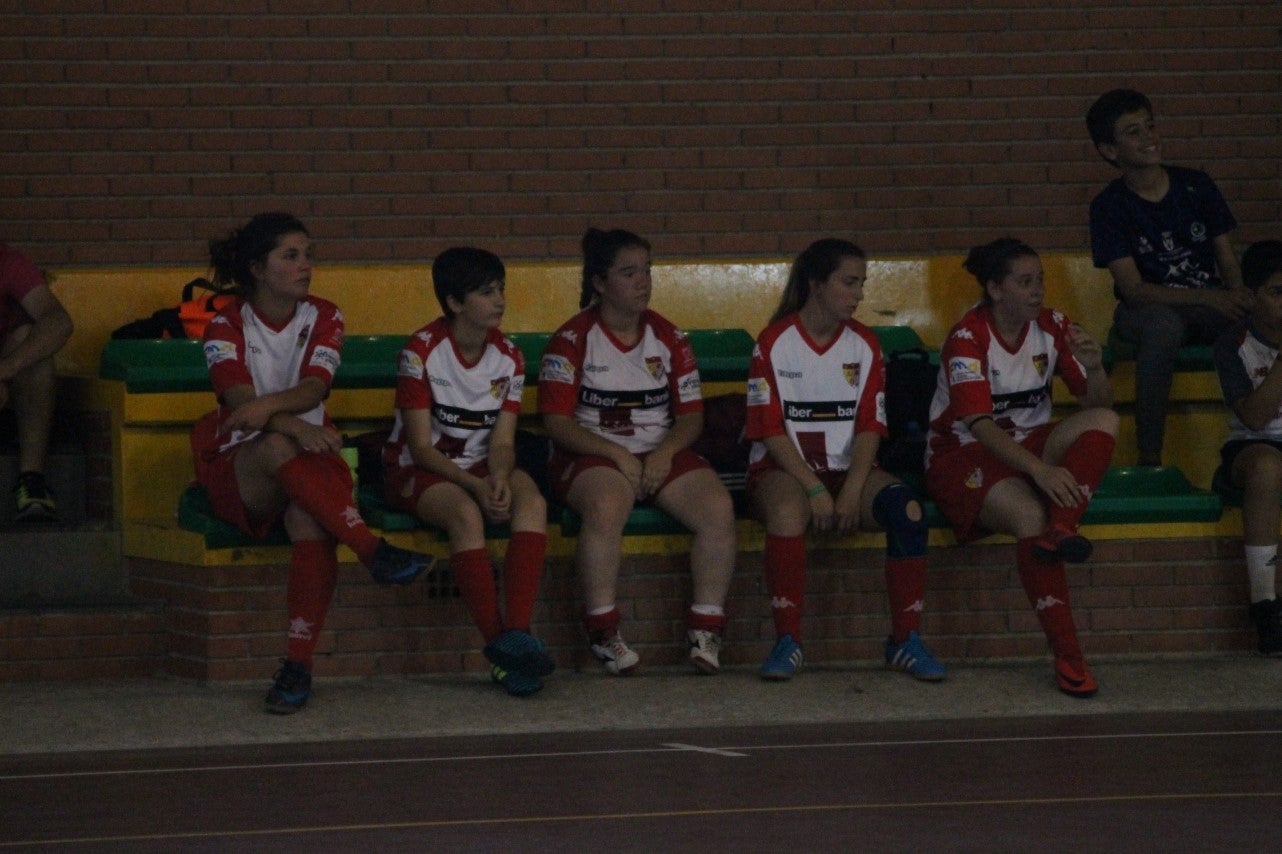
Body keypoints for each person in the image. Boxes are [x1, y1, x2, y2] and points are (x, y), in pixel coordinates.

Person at [193, 212, 435, 714]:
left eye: (309, 255)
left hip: (306, 458)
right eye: (292, 255)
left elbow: (313, 388)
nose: (307, 266)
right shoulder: (223, 323)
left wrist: (269, 411)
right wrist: (297, 425)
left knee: (310, 519)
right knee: (280, 448)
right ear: (258, 269)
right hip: (242, 465)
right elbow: (240, 403)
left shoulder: (325, 314)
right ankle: (372, 550)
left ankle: (296, 667)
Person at [745, 238, 945, 682]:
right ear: (816, 284)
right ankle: (788, 641)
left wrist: (852, 488)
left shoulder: (865, 344)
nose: (858, 295)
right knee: (785, 511)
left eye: (862, 284)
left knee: (908, 511)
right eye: (849, 282)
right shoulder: (774, 342)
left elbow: (871, 425)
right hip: (783, 472)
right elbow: (770, 429)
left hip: (849, 471)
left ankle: (904, 641)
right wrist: (815, 488)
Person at [538, 228, 736, 675]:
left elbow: (690, 417)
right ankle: (603, 631)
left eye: (647, 270)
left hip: (657, 450)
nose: (643, 281)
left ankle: (705, 629)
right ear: (600, 283)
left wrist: (665, 453)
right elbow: (557, 421)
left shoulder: (669, 337)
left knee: (718, 508)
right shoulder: (572, 340)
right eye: (629, 273)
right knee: (607, 504)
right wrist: (616, 454)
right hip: (589, 454)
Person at [925, 238, 1118, 697]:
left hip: (1027, 442)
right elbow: (982, 426)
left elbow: (1097, 403)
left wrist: (1095, 369)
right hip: (963, 452)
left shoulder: (1052, 326)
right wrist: (1040, 472)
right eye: (1025, 282)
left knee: (1106, 420)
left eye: (1041, 281)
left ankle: (1064, 528)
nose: (1038, 291)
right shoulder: (967, 338)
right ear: (994, 288)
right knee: (1029, 515)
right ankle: (1069, 655)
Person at [382, 246, 556, 696]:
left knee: (532, 501)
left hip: (481, 466)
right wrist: (476, 487)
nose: (498, 300)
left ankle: (513, 640)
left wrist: (497, 477)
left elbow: (502, 441)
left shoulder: (511, 357)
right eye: (485, 292)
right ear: (455, 303)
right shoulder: (420, 352)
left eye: (501, 290)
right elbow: (420, 447)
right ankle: (500, 646)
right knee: (465, 514)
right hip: (421, 469)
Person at [1086, 88, 1249, 467]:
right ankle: (1150, 456)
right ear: (1110, 151)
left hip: (1207, 306)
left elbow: (1226, 255)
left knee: (1263, 317)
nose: (1149, 138)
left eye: (1151, 126)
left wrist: (1238, 296)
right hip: (1145, 313)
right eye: (1134, 132)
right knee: (1163, 327)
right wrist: (1211, 297)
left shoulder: (1196, 185)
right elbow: (1135, 291)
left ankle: (1261, 436)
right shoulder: (1108, 206)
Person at [1212, 239, 1282, 656]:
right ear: (1253, 296)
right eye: (1277, 293)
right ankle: (1266, 606)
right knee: (1267, 467)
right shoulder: (1232, 344)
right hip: (1250, 446)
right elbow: (1255, 417)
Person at [1, 242, 73, 523]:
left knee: (33, 347)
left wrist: (6, 369)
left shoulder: (8, 261)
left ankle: (31, 481)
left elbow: (59, 321)